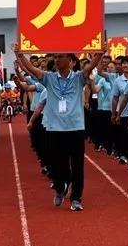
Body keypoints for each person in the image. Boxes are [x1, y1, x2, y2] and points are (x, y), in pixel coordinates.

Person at [16, 43, 103, 211]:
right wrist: (20, 55)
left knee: (77, 165)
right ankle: (60, 188)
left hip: (75, 128)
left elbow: (91, 66)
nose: (56, 60)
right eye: (54, 57)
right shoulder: (49, 77)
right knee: (57, 164)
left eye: (60, 57)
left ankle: (76, 198)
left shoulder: (78, 77)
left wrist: (100, 53)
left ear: (70, 60)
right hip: (55, 129)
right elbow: (32, 70)